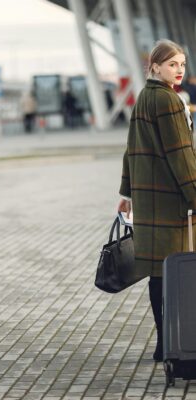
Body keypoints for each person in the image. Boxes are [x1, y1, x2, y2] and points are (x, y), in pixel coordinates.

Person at [117, 39, 196, 363]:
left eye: (181, 64)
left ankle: (164, 344)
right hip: (171, 201)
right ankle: (175, 345)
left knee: (160, 273)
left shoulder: (145, 97)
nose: (178, 70)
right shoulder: (168, 100)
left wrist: (126, 193)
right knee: (177, 272)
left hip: (150, 200)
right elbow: (181, 156)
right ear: (155, 66)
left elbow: (131, 148)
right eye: (172, 64)